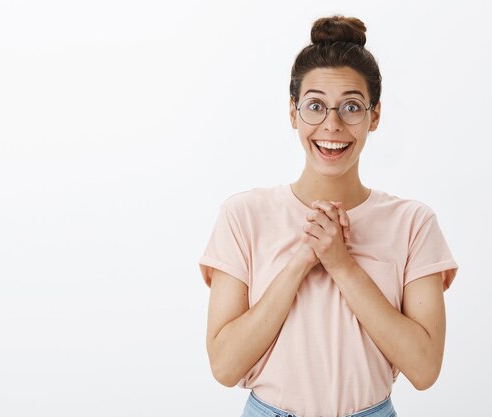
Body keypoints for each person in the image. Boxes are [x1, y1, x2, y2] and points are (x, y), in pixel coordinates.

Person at [197, 14, 459, 417]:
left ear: (374, 116)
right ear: (293, 112)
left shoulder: (414, 223)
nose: (332, 125)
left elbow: (424, 369)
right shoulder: (243, 215)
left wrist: (341, 263)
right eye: (315, 106)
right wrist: (302, 259)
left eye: (351, 107)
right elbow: (225, 366)